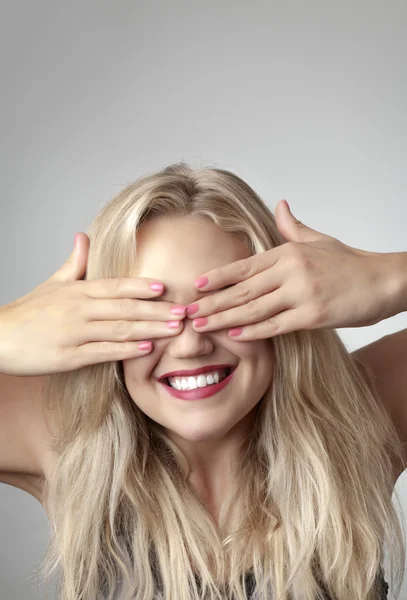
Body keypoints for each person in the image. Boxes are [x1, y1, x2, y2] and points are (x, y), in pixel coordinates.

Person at [0, 162, 405, 599]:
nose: (190, 346)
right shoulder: (63, 434)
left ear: (285, 314)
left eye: (226, 306)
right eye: (147, 315)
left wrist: (393, 277)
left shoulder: (359, 414)